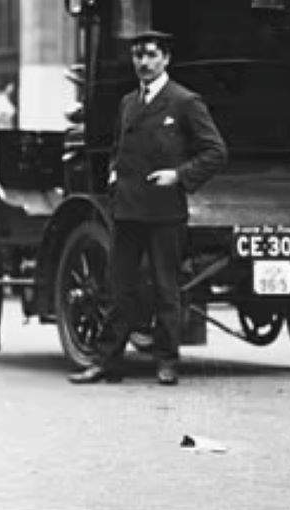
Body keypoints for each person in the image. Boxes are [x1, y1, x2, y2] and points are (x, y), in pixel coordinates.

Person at [70, 30, 227, 386]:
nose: (144, 62)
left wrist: (179, 175)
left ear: (166, 59)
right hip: (126, 210)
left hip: (164, 212)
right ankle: (106, 362)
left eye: (152, 55)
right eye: (138, 55)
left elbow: (216, 151)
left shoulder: (185, 102)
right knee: (118, 287)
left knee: (165, 288)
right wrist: (113, 174)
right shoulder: (128, 103)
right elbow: (117, 146)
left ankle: (167, 362)